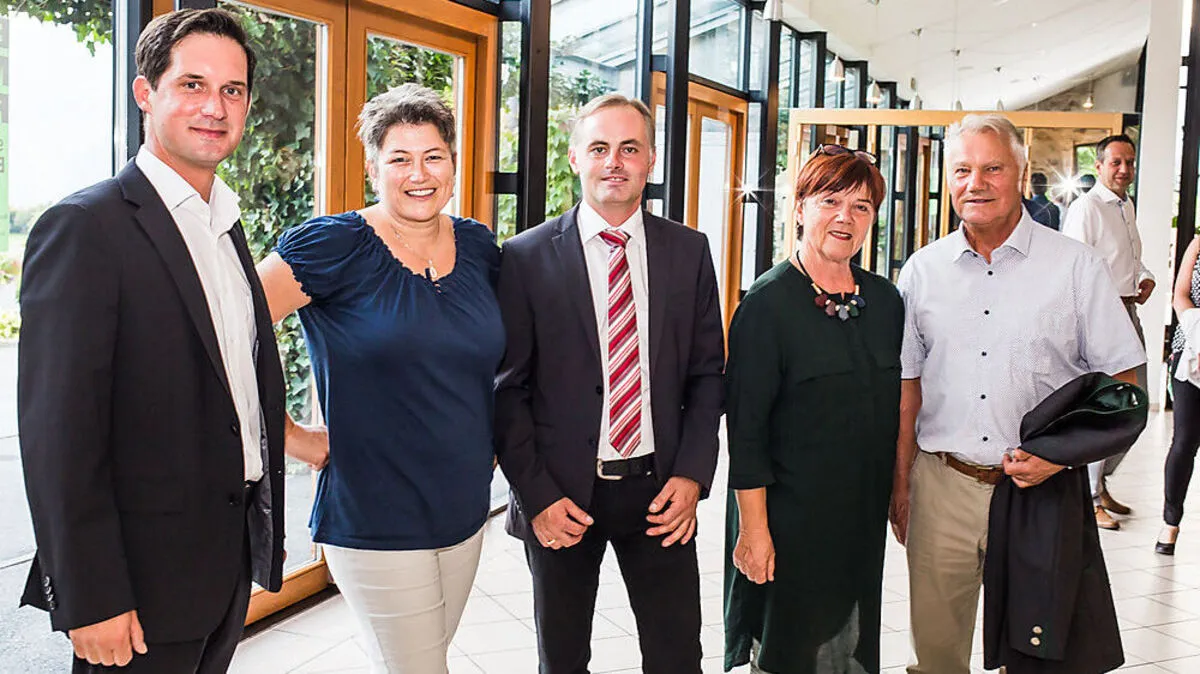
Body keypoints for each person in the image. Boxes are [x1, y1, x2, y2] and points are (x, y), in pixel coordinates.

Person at [17, 9, 286, 672]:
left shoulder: (224, 224)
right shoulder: (86, 227)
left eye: (232, 90)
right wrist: (90, 597)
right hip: (134, 588)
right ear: (146, 93)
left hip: (220, 569)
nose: (215, 107)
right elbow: (59, 435)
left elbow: (228, 386)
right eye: (192, 84)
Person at [256, 84, 504, 672]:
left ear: (452, 164)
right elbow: (229, 330)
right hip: (375, 511)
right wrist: (290, 435)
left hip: (465, 507)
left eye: (433, 156)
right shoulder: (330, 245)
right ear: (372, 168)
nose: (418, 174)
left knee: (415, 661)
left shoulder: (477, 245)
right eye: (399, 158)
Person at [889, 114, 1145, 674]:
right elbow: (908, 389)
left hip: (1037, 492)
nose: (975, 183)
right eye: (962, 169)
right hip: (942, 484)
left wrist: (1058, 457)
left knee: (1035, 654)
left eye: (991, 168)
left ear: (1022, 172)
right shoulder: (922, 272)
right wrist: (901, 484)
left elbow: (1124, 387)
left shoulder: (1075, 267)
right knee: (935, 658)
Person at [494, 93, 724, 674]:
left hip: (660, 490)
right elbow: (507, 390)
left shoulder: (689, 251)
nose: (613, 162)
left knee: (677, 658)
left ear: (650, 160)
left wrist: (693, 476)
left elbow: (706, 375)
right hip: (562, 497)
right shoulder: (523, 258)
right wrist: (537, 497)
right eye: (599, 148)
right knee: (563, 660)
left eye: (628, 148)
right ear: (575, 157)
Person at [723, 146, 903, 674]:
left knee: (850, 643)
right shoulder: (767, 304)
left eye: (862, 206)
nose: (846, 217)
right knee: (792, 648)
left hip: (859, 515)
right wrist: (754, 532)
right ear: (799, 207)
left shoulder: (885, 300)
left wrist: (898, 489)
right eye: (830, 200)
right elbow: (747, 433)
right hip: (790, 519)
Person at [1062, 134, 1153, 531]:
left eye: (1129, 162)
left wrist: (1145, 278)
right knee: (1106, 406)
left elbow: (1131, 258)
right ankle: (1089, 496)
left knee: (1136, 402)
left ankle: (1101, 482)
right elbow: (1074, 268)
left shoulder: (1125, 206)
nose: (1123, 169)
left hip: (1128, 310)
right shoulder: (1088, 208)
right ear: (1098, 166)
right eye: (1115, 162)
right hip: (1102, 315)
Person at [1158, 235, 1200, 555]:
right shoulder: (1198, 243)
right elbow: (1180, 295)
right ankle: (1170, 523)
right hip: (1191, 354)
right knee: (1185, 440)